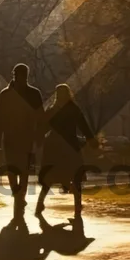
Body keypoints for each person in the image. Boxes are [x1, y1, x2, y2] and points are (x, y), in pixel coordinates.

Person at [36, 83, 96, 216]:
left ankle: (40, 203)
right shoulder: (74, 109)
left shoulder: (52, 110)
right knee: (76, 175)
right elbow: (83, 125)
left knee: (49, 177)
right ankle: (78, 205)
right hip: (70, 145)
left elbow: (43, 128)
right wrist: (92, 140)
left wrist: (38, 139)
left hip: (53, 146)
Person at [0, 63, 44, 217]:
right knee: (15, 169)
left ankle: (19, 195)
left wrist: (39, 136)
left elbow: (40, 117)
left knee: (20, 169)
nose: (21, 78)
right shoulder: (29, 93)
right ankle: (18, 194)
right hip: (17, 136)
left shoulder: (11, 94)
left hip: (21, 136)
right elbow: (1, 117)